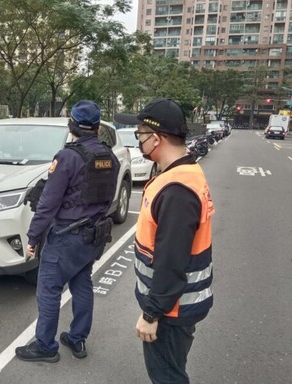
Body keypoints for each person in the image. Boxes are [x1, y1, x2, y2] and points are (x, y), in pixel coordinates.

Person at [115, 98, 214, 383]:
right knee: (172, 370)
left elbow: (171, 261)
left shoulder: (176, 190)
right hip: (177, 304)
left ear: (156, 138)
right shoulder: (182, 173)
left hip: (172, 309)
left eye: (140, 135)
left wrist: (151, 314)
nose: (138, 142)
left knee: (167, 376)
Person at [15, 100, 120, 363]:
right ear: (97, 128)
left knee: (49, 289)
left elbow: (48, 204)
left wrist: (33, 237)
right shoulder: (110, 157)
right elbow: (109, 198)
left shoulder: (67, 157)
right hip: (94, 235)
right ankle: (77, 338)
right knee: (82, 283)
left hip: (66, 236)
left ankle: (45, 346)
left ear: (71, 125)